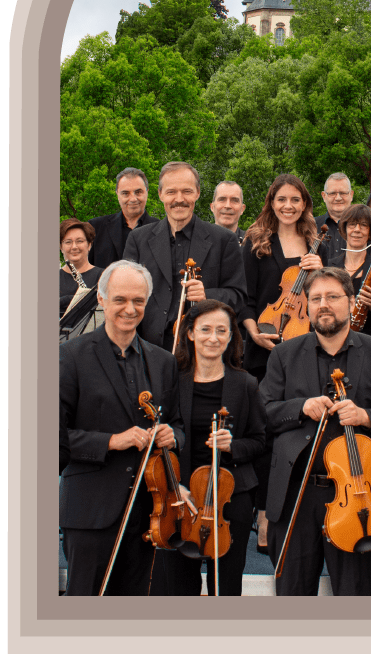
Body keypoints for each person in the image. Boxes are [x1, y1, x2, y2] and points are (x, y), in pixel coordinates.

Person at [260, 267, 371, 596]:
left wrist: (366, 416)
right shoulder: (284, 354)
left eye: (332, 297)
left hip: (359, 496)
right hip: (297, 491)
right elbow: (263, 414)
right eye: (315, 298)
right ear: (307, 305)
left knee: (354, 595)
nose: (323, 304)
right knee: (293, 594)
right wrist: (300, 407)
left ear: (351, 302)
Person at [59, 260, 184, 595]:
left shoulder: (163, 361)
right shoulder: (69, 356)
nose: (130, 309)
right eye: (120, 299)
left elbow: (178, 423)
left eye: (139, 301)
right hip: (91, 509)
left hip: (148, 510)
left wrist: (174, 435)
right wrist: (110, 441)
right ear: (101, 299)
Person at [148, 300, 266, 596]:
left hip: (230, 497)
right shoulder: (173, 381)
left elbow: (261, 441)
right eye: (205, 329)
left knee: (225, 584)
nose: (213, 338)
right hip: (182, 494)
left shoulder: (246, 384)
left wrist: (233, 446)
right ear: (190, 333)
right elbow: (163, 441)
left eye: (221, 331)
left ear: (231, 336)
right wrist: (176, 487)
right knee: (176, 584)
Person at [241, 173, 325, 553]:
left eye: (295, 200)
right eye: (281, 200)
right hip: (264, 344)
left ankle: (296, 511)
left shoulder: (316, 240)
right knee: (265, 431)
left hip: (305, 347)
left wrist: (320, 268)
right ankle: (263, 515)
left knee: (296, 430)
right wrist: (252, 331)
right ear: (271, 202)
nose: (288, 206)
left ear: (305, 203)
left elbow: (328, 294)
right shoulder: (256, 242)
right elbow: (242, 294)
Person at [123, 162, 247, 351]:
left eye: (187, 191)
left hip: (203, 350)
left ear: (197, 193)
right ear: (160, 194)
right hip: (149, 351)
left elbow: (238, 297)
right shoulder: (138, 239)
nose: (179, 199)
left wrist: (208, 295)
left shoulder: (224, 240)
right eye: (171, 192)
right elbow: (127, 293)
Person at [330, 204, 371, 339]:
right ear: (345, 228)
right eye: (352, 224)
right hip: (334, 340)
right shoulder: (329, 266)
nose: (357, 230)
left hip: (370, 342)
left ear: (370, 230)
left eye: (364, 225)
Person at [89, 168, 159, 269]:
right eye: (125, 193)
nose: (133, 199)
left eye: (138, 192)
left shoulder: (163, 230)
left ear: (147, 192)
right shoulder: (95, 227)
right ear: (117, 194)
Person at [59, 219, 103, 317]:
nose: (74, 247)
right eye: (68, 242)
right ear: (61, 247)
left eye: (80, 241)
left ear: (89, 245)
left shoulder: (104, 276)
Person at [315, 172, 354, 263]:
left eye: (343, 193)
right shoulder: (311, 225)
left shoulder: (362, 228)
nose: (338, 198)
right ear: (324, 196)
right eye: (332, 193)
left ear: (351, 195)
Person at [210, 180, 247, 244]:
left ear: (242, 209)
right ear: (212, 207)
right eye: (222, 199)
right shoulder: (196, 242)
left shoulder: (253, 245)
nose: (228, 206)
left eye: (234, 200)